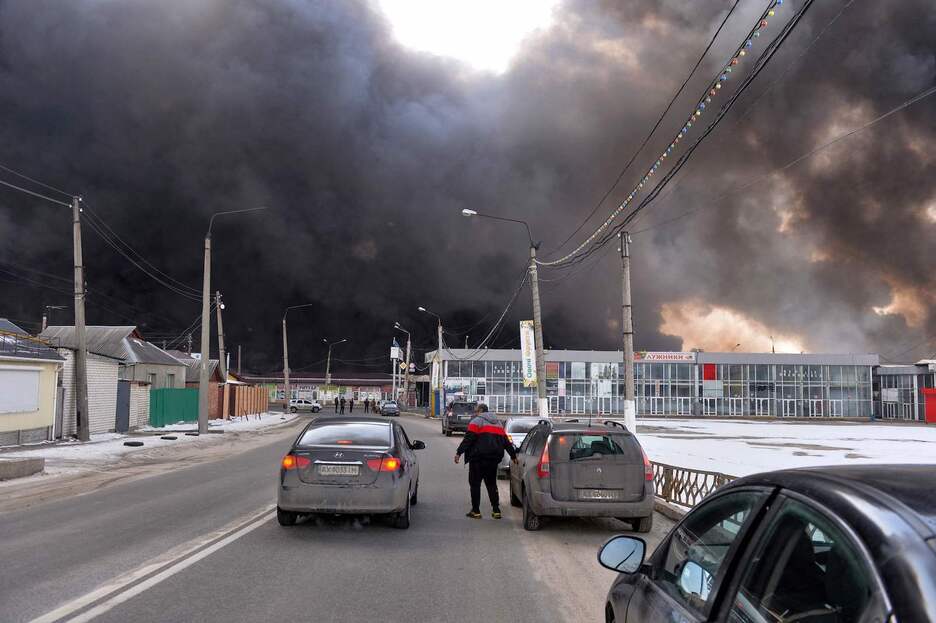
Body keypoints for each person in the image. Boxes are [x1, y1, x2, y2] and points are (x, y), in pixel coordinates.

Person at [454, 404, 517, 519]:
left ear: (481, 411)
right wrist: (513, 456)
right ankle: (496, 510)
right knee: (492, 484)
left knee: (475, 484)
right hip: (493, 460)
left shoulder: (476, 421)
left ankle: (476, 511)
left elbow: (468, 439)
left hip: (477, 459)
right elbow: (506, 442)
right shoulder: (498, 424)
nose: (475, 412)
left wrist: (459, 453)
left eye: (476, 410)